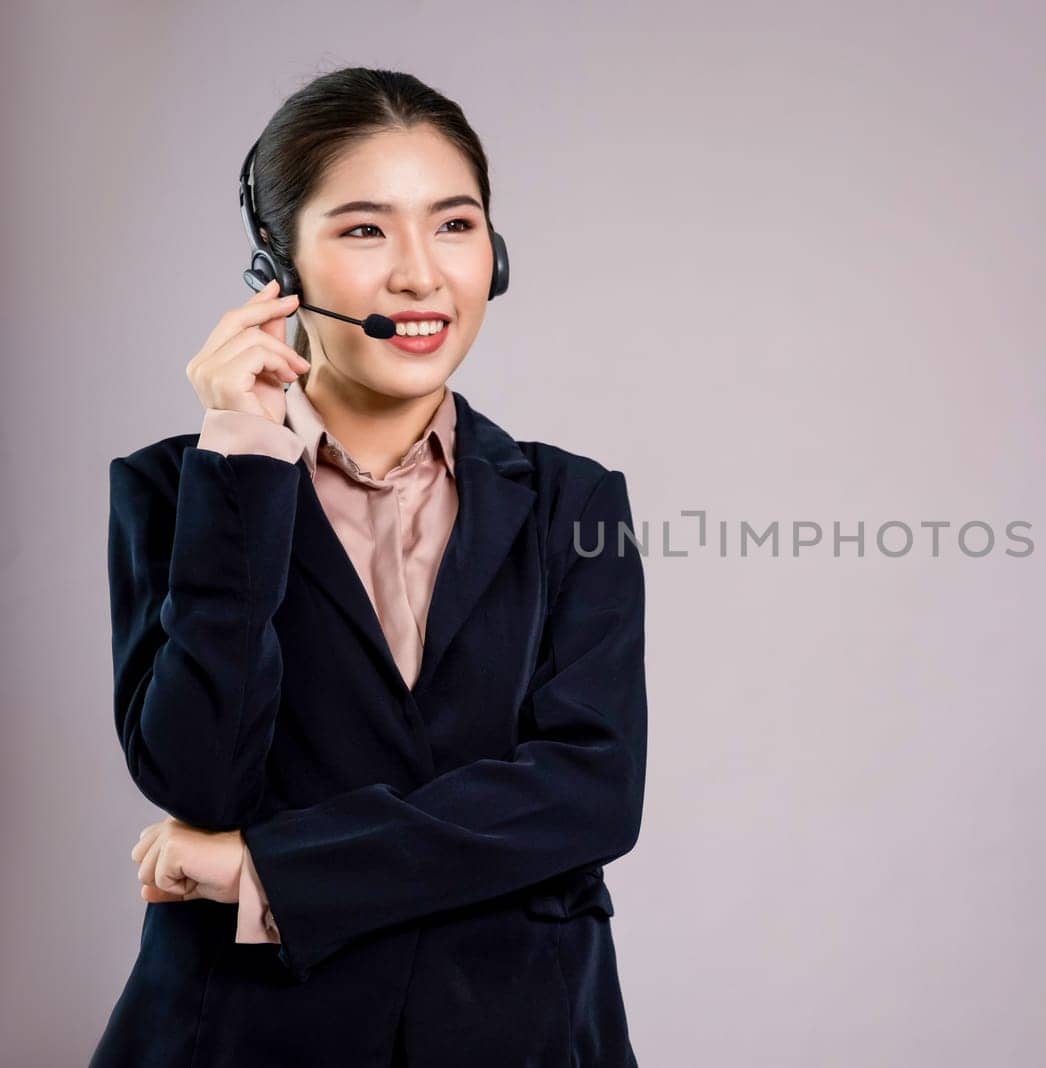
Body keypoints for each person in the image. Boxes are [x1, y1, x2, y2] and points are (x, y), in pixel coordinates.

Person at [90, 67, 646, 1067]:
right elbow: (201, 781)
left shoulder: (573, 502)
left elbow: (589, 795)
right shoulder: (181, 493)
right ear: (277, 266)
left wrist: (266, 870)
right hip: (251, 1038)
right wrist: (245, 466)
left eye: (454, 224)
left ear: (497, 255)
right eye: (362, 229)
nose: (420, 277)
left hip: (516, 1035)